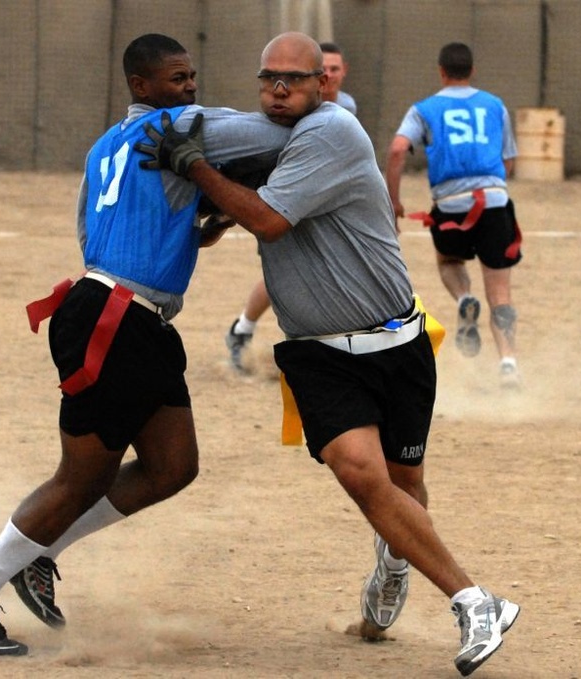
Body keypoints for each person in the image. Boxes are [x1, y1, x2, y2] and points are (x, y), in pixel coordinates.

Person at [138, 32, 519, 677]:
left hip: (397, 340)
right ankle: (476, 602)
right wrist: (216, 211)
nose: (279, 89)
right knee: (360, 473)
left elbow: (270, 220)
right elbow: (253, 194)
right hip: (318, 353)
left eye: (294, 79)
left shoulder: (335, 130)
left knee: (405, 485)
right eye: (269, 79)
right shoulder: (282, 136)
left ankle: (395, 560)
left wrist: (195, 166)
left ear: (324, 85)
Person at [0, 33, 290, 656]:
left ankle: (35, 555)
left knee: (173, 467)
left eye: (191, 76)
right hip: (116, 319)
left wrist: (193, 219)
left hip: (120, 311)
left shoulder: (102, 148)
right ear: (141, 87)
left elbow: (94, 231)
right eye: (176, 79)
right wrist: (322, 109)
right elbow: (278, 136)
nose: (190, 88)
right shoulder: (185, 125)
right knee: (81, 478)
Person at [384, 42, 523, 389]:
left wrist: (394, 201)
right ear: (472, 70)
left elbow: (398, 149)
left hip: (450, 204)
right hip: (492, 202)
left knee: (449, 262)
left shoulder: (424, 109)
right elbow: (508, 161)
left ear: (441, 71)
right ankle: (508, 364)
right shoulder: (495, 106)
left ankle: (464, 299)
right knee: (501, 293)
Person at [224, 41, 357, 373]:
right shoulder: (285, 110)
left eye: (335, 68)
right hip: (288, 196)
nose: (331, 74)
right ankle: (242, 329)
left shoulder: (346, 108)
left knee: (326, 272)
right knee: (282, 276)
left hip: (324, 199)